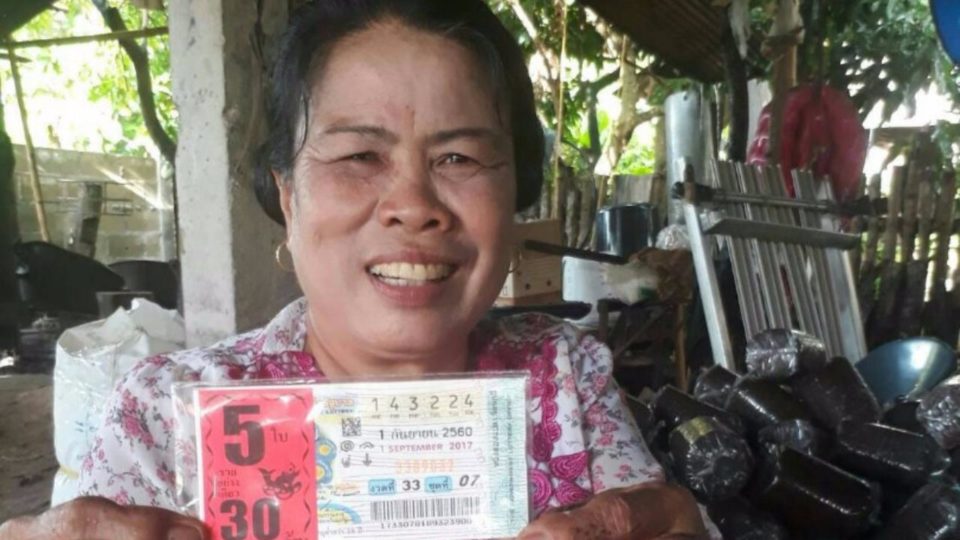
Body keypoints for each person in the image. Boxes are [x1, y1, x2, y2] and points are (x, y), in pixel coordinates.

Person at [0, 1, 714, 539]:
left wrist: (670, 519)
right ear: (287, 193)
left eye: (459, 158)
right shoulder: (164, 415)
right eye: (358, 157)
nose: (413, 206)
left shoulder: (566, 377)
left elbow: (662, 519)